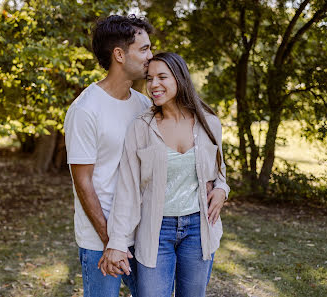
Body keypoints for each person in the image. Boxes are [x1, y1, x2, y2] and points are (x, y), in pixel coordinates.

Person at [99, 52, 230, 297]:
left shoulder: (209, 123)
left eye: (162, 77)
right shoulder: (141, 127)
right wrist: (116, 242)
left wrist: (222, 189)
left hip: (198, 228)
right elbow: (127, 189)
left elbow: (218, 171)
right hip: (156, 231)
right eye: (149, 79)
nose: (153, 85)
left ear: (180, 78)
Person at [63, 15, 153, 297]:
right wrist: (111, 240)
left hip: (141, 233)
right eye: (144, 49)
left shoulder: (144, 104)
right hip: (99, 238)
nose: (151, 56)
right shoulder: (85, 110)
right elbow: (83, 182)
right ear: (119, 55)